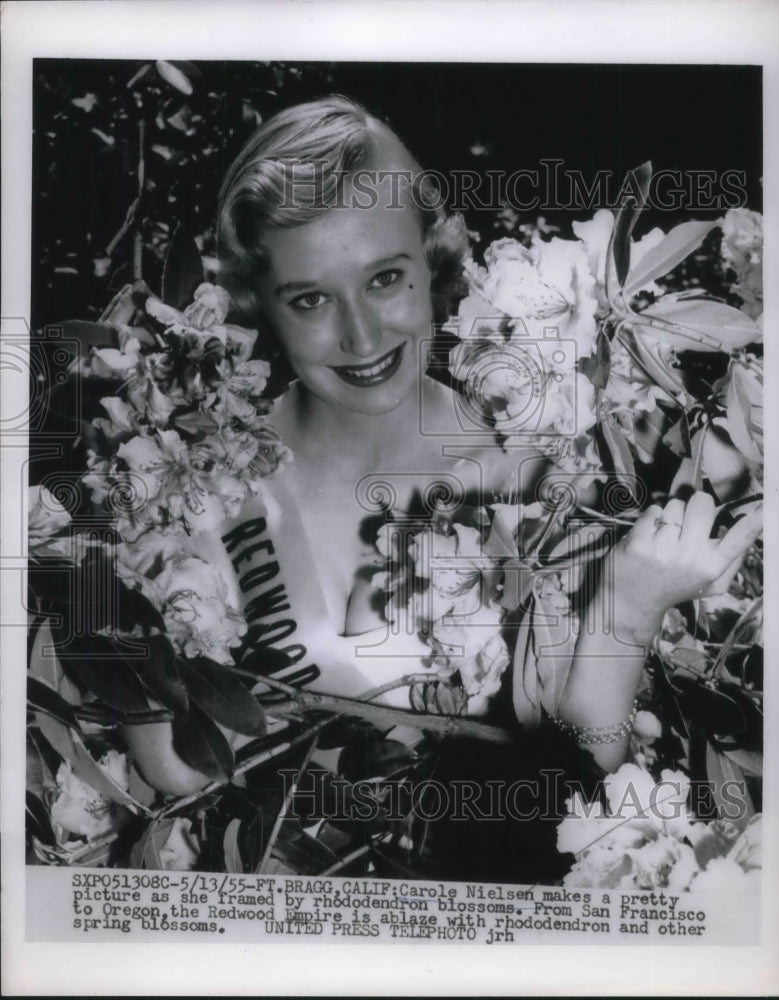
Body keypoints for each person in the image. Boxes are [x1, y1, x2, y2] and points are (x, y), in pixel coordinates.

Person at [216, 96, 762, 774]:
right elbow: (171, 768)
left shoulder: (537, 478)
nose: (360, 337)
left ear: (432, 258)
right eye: (309, 299)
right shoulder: (194, 478)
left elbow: (584, 770)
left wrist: (628, 609)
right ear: (257, 303)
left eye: (385, 279)